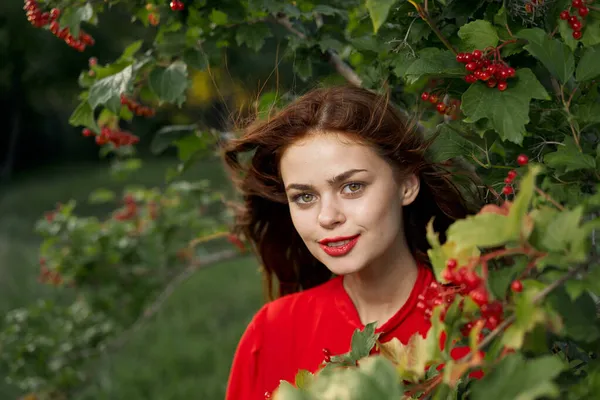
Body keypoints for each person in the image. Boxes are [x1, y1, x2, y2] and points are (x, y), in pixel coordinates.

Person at [222, 85, 480, 400]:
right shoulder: (273, 331)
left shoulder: (477, 317)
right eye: (305, 197)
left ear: (407, 186)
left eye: (352, 186)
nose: (327, 217)